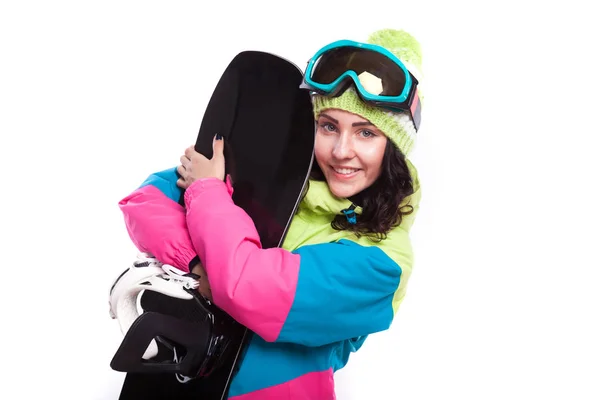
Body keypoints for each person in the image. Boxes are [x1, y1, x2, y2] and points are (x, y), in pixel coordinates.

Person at [118, 28, 424, 399]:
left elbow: (247, 287)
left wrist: (209, 194)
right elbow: (147, 200)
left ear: (393, 148)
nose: (342, 151)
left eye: (366, 134)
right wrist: (199, 262)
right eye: (328, 126)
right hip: (179, 381)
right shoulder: (273, 180)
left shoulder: (384, 263)